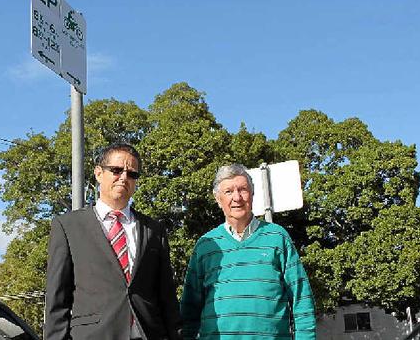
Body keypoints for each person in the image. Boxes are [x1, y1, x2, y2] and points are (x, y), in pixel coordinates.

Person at [44, 143, 182, 340]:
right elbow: (57, 299)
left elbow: (167, 297)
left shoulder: (154, 230)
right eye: (116, 170)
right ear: (99, 173)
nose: (124, 177)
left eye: (132, 173)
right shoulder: (68, 226)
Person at [180, 164, 316, 339]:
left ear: (252, 194)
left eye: (243, 189)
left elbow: (301, 299)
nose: (237, 197)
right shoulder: (206, 245)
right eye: (228, 191)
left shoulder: (277, 237)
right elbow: (188, 312)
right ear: (218, 199)